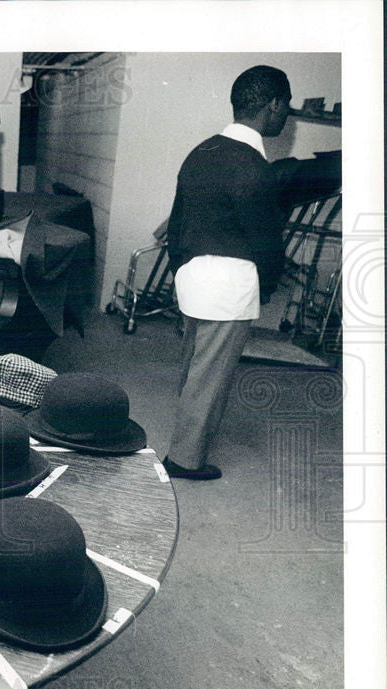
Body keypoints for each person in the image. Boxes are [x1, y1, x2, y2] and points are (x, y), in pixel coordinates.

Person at [163, 65, 291, 480]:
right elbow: (267, 241)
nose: (285, 114)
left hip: (193, 279)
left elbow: (176, 224)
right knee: (210, 379)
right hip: (230, 286)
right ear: (272, 106)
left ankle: (183, 440)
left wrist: (181, 269)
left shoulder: (201, 152)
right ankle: (184, 461)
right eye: (285, 105)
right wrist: (269, 285)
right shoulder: (254, 166)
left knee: (193, 370)